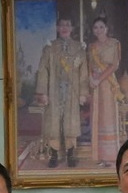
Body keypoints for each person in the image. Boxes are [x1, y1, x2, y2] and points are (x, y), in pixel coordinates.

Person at [33, 14, 87, 169]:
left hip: (72, 91)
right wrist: (43, 92)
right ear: (57, 28)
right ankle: (54, 155)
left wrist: (83, 93)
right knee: (53, 122)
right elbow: (43, 70)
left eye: (68, 25)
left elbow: (83, 73)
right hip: (54, 91)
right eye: (62, 25)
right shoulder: (49, 48)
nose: (64, 28)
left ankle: (71, 155)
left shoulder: (79, 48)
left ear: (72, 28)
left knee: (71, 122)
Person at [84, 14, 128, 165]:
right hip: (96, 86)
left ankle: (112, 155)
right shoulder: (91, 46)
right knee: (97, 117)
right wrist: (91, 78)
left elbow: (114, 65)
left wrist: (99, 78)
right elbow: (89, 65)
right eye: (95, 27)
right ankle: (100, 156)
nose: (99, 30)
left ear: (107, 28)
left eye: (101, 27)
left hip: (108, 84)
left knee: (108, 116)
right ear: (93, 30)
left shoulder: (114, 43)